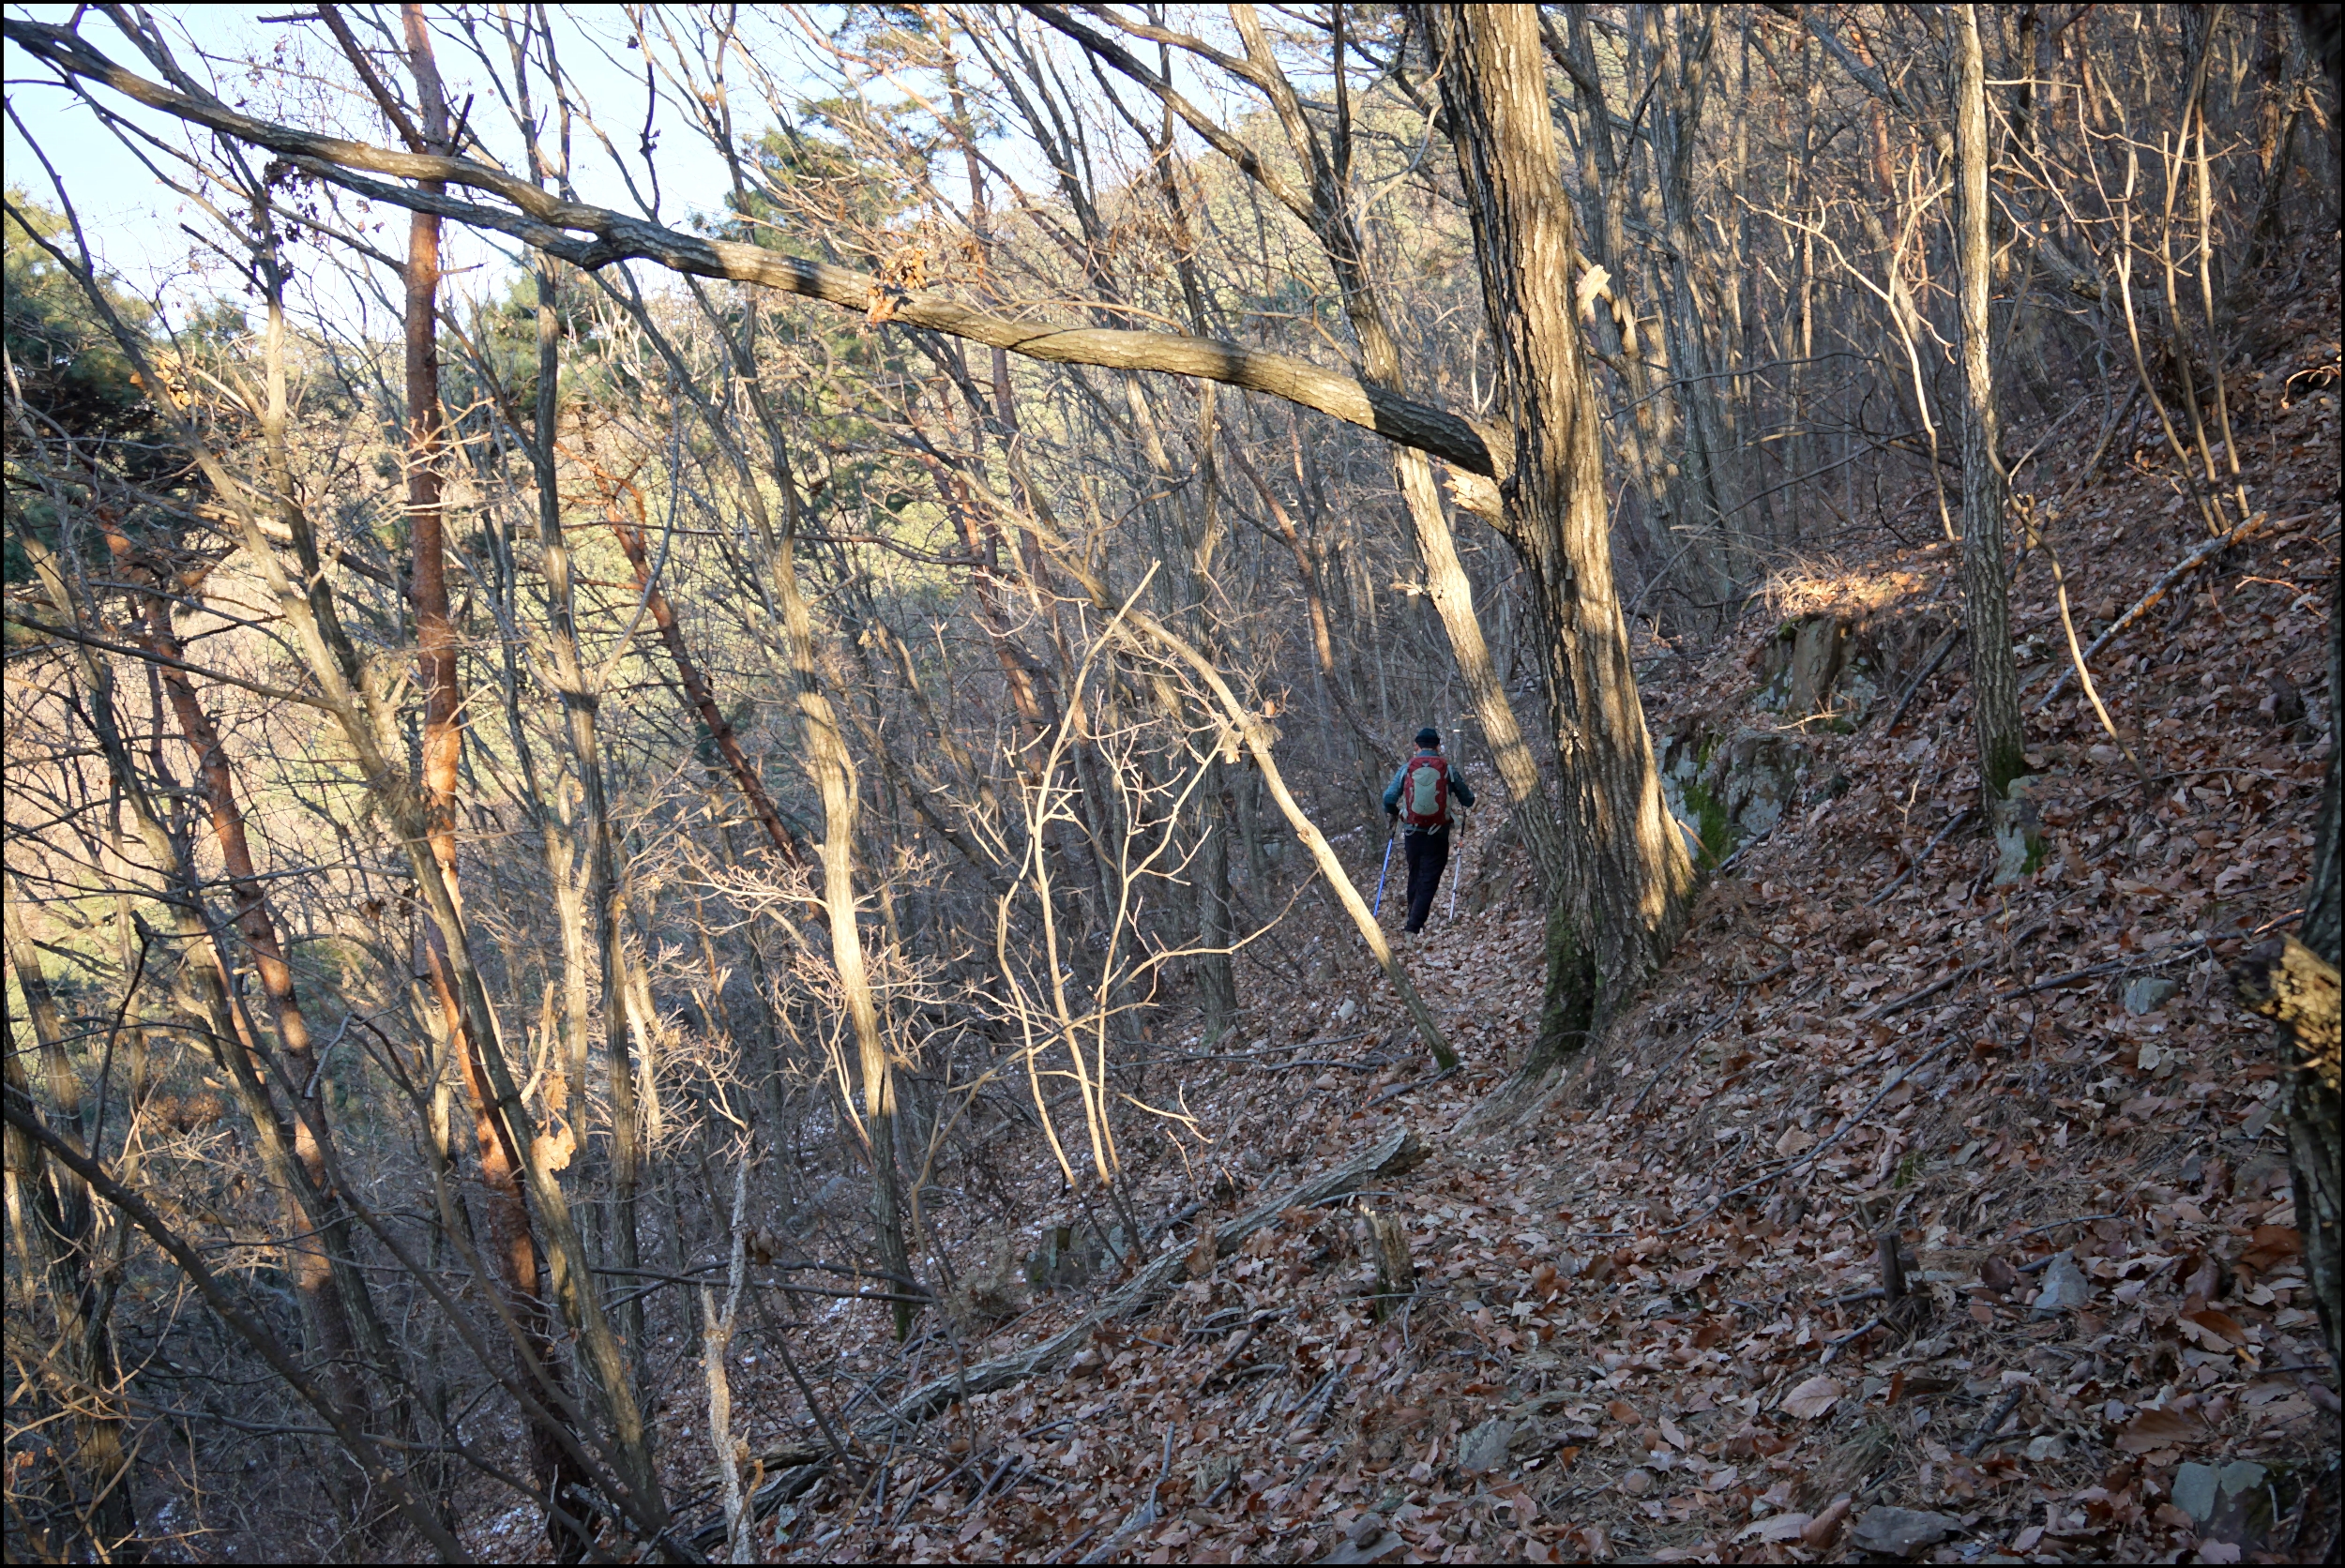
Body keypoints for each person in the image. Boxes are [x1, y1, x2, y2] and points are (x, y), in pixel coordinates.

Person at [1382, 727, 1475, 935]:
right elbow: (1468, 800)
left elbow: (1388, 799)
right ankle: (1413, 927)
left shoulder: (1407, 768)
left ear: (1416, 745)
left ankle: (1412, 919)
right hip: (1438, 833)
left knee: (1415, 874)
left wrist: (1397, 813)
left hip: (1412, 831)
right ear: (1438, 746)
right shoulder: (1447, 769)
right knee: (1429, 878)